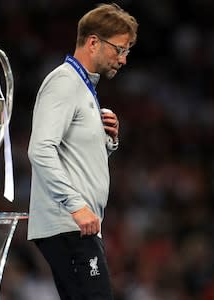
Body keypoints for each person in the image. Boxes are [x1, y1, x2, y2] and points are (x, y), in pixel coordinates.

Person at [27, 3, 138, 299]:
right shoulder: (64, 82)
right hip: (69, 223)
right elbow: (40, 150)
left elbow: (74, 157)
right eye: (119, 49)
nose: (123, 59)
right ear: (93, 43)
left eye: (127, 51)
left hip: (76, 224)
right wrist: (76, 205)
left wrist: (106, 142)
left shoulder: (81, 86)